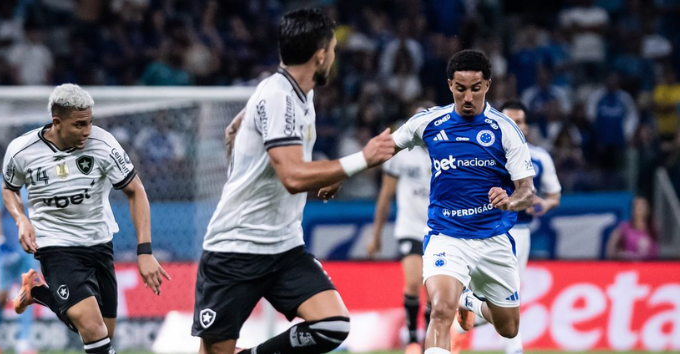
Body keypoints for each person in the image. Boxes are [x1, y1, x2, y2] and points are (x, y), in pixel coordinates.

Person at [192, 8, 396, 354]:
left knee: (331, 325)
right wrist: (362, 159)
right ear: (320, 56)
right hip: (237, 249)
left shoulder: (297, 92)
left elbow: (236, 130)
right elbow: (291, 176)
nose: (334, 57)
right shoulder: (278, 96)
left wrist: (326, 172)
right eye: (333, 49)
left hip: (283, 247)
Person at [2, 83, 170, 354]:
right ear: (57, 122)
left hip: (99, 244)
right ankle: (42, 292)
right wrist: (21, 218)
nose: (87, 130)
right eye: (79, 124)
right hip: (55, 246)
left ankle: (38, 292)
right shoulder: (22, 150)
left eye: (90, 122)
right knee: (92, 329)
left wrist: (145, 251)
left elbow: (136, 191)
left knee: (104, 334)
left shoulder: (103, 144)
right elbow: (9, 188)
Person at [390, 49, 536, 354]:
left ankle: (470, 302)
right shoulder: (429, 122)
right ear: (449, 85)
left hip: (493, 237)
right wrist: (342, 173)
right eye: (460, 89)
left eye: (475, 89)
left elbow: (527, 191)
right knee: (441, 310)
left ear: (488, 85)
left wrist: (510, 201)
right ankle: (454, 305)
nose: (467, 97)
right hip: (447, 235)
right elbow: (385, 147)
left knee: (509, 327)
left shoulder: (505, 130)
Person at [451, 101, 562, 354]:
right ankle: (513, 349)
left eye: (519, 121)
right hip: (488, 232)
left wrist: (545, 203)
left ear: (527, 126)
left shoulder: (540, 157)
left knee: (505, 302)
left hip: (521, 233)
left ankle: (463, 314)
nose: (515, 126)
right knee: (509, 296)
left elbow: (555, 195)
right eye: (509, 121)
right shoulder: (483, 153)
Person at [367, 142, 432, 354]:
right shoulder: (402, 154)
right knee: (413, 282)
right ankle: (412, 340)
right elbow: (386, 194)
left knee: (433, 291)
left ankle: (430, 340)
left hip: (437, 229)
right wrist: (376, 235)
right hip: (409, 228)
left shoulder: (446, 149)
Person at [0, 173, 37, 354]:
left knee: (28, 291)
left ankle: (23, 341)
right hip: (6, 248)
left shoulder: (34, 181)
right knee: (2, 295)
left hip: (28, 248)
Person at [606, 196, 658, 261]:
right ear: (632, 210)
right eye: (637, 206)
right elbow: (611, 249)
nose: (640, 209)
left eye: (643, 206)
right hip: (629, 264)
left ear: (648, 209)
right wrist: (621, 255)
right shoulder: (623, 228)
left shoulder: (653, 229)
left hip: (650, 265)